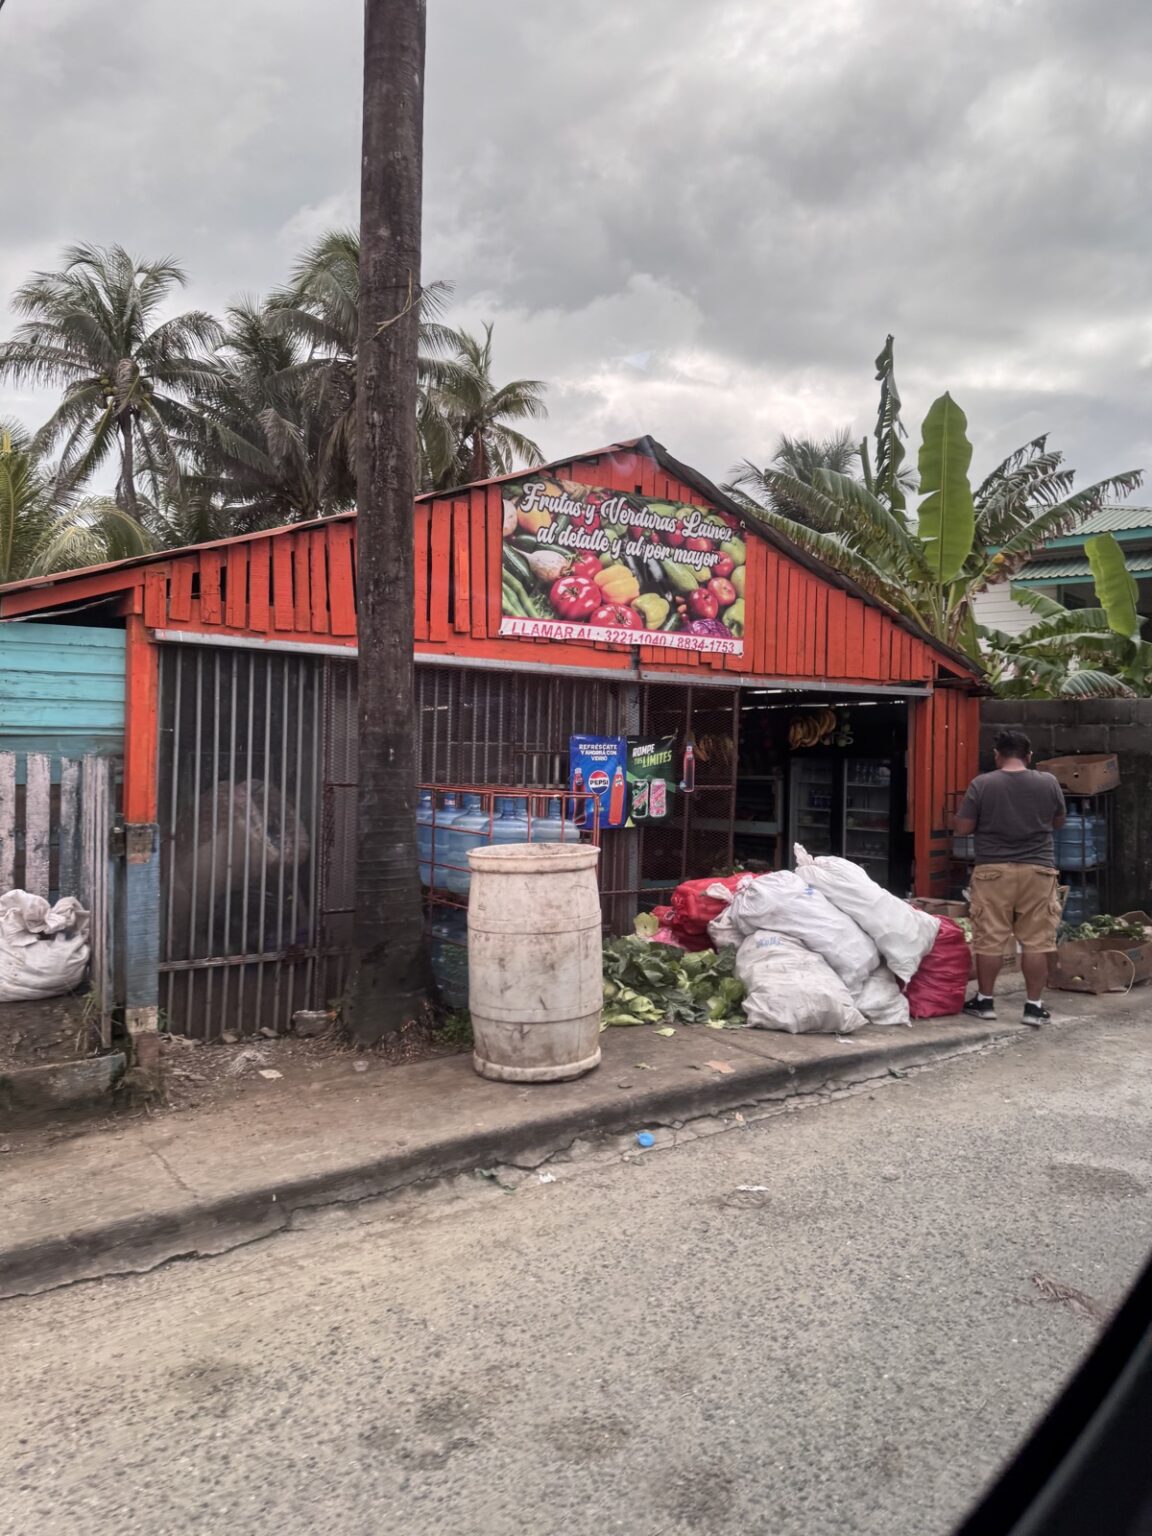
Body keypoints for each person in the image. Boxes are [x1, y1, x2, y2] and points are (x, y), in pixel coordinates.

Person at [954, 730, 1066, 1026]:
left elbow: (963, 828)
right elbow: (1058, 820)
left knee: (989, 939)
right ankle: (1033, 1007)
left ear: (997, 755)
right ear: (1029, 757)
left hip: (993, 871)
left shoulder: (982, 783)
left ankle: (985, 1002)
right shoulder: (1048, 782)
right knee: (1037, 941)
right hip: (1038, 870)